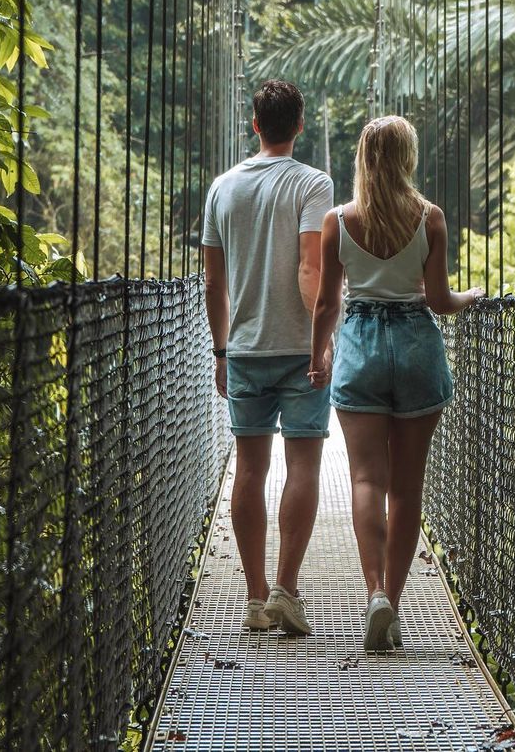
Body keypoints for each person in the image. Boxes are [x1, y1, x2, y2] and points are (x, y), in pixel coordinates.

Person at [308, 114, 482, 651]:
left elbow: (327, 303)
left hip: (359, 346)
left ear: (363, 157)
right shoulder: (430, 218)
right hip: (415, 350)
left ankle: (374, 592)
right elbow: (437, 301)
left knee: (366, 481)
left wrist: (319, 356)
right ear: (407, 157)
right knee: (406, 490)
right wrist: (472, 297)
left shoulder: (338, 221)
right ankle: (398, 604)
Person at [202, 79, 334, 636]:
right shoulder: (313, 184)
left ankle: (255, 599)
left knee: (250, 469)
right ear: (299, 125)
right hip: (299, 349)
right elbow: (310, 268)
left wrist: (221, 351)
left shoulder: (222, 189)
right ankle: (286, 589)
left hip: (247, 348)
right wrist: (319, 343)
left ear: (254, 124)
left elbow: (214, 281)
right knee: (303, 466)